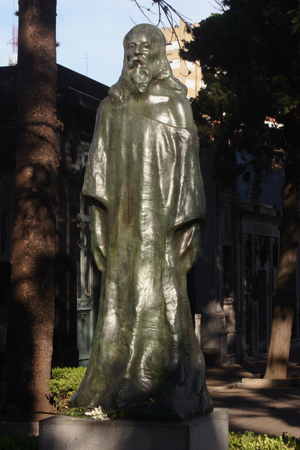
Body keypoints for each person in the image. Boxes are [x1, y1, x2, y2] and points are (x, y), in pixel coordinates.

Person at [70, 24, 213, 419]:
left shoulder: (176, 106)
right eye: (130, 47)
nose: (136, 53)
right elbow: (97, 174)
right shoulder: (110, 107)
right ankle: (113, 375)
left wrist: (190, 226)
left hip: (163, 227)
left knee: (163, 296)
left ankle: (160, 371)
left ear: (158, 54)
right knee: (118, 299)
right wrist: (98, 225)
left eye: (145, 46)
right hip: (122, 229)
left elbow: (190, 174)